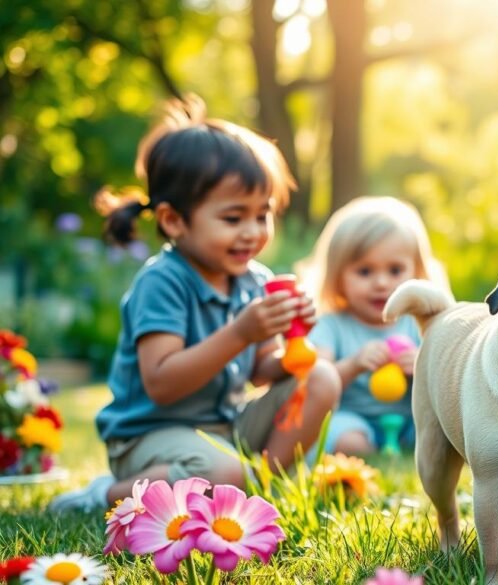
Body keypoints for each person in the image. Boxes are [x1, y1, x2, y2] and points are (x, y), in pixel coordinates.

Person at [49, 96, 341, 512]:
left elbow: (260, 370)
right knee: (223, 472)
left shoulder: (253, 280)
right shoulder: (162, 282)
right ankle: (105, 495)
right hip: (150, 434)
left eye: (263, 215)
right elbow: (163, 384)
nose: (252, 232)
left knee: (323, 379)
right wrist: (242, 331)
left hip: (223, 428)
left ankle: (259, 490)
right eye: (233, 218)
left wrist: (297, 350)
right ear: (173, 221)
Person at [298, 196, 450, 459]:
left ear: (417, 272)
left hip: (413, 421)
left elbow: (451, 377)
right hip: (355, 420)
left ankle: (411, 449)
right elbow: (313, 382)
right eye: (365, 272)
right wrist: (354, 364)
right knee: (348, 441)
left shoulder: (421, 322)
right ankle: (370, 452)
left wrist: (421, 366)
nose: (381, 283)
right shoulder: (331, 324)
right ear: (337, 276)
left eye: (395, 270)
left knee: (447, 434)